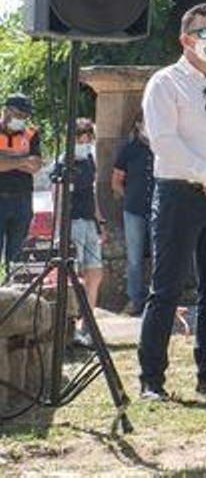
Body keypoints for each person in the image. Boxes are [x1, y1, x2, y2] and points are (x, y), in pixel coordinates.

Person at [137, 2, 206, 401]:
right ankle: (152, 379)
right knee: (165, 289)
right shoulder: (165, 83)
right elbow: (164, 141)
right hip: (179, 195)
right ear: (185, 38)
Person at [65, 120, 107, 347]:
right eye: (81, 137)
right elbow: (58, 193)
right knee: (75, 276)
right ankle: (71, 329)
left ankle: (88, 325)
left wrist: (100, 220)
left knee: (95, 273)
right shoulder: (65, 161)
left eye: (88, 137)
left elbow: (93, 191)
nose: (85, 141)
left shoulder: (90, 158)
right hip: (72, 222)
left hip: (89, 222)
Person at [111, 114, 155, 314]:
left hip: (159, 212)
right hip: (134, 211)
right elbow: (116, 181)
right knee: (135, 257)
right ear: (138, 125)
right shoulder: (129, 150)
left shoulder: (162, 148)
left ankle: (158, 301)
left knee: (160, 256)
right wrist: (129, 196)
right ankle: (135, 299)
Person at [0, 93, 43, 280]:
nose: (23, 119)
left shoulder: (31, 133)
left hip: (23, 200)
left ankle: (11, 294)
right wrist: (23, 160)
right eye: (20, 114)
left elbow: (36, 165)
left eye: (26, 116)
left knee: (16, 258)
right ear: (7, 110)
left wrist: (8, 159)